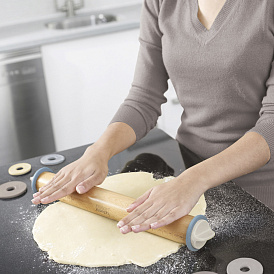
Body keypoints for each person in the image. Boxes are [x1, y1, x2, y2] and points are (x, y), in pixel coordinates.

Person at [32, 0, 274, 235]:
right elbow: (143, 98)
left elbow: (271, 125)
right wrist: (98, 152)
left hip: (257, 191)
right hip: (185, 175)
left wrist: (193, 180)